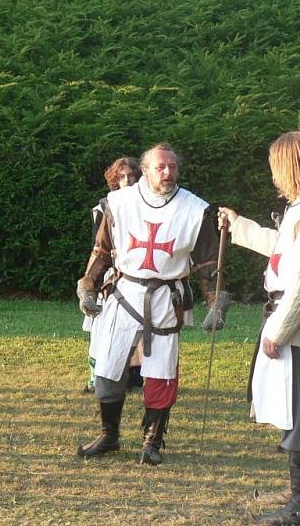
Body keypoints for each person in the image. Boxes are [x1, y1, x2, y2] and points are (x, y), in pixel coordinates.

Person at [218, 132, 300, 525]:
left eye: (277, 168)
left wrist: (277, 330)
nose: (274, 177)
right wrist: (240, 226)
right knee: (298, 415)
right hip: (299, 321)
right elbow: (284, 247)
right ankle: (299, 502)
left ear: (292, 167)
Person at [76, 143, 224, 465]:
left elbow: (208, 263)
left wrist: (216, 301)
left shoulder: (193, 209)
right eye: (161, 167)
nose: (168, 173)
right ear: (145, 170)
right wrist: (88, 285)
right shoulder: (119, 203)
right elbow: (102, 251)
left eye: (173, 167)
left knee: (160, 374)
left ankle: (152, 442)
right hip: (125, 293)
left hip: (166, 299)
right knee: (108, 369)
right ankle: (109, 435)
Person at [82, 157, 142, 394]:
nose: (127, 180)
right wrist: (90, 280)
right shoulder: (105, 207)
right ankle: (97, 377)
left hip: (136, 273)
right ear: (114, 180)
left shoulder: (147, 205)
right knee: (102, 327)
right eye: (121, 176)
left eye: (131, 175)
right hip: (111, 274)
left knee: (138, 328)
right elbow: (99, 247)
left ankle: (134, 378)